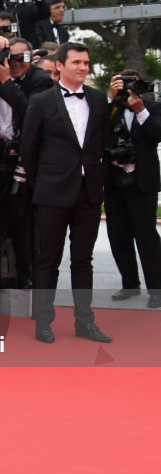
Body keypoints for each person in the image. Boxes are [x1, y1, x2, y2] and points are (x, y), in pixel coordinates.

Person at [20, 41, 112, 344]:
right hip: (52, 193)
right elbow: (28, 149)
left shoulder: (99, 100)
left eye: (86, 63)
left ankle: (85, 322)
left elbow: (102, 143)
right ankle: (43, 322)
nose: (84, 68)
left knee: (83, 261)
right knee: (48, 260)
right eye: (77, 63)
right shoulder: (41, 101)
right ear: (59, 65)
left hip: (87, 192)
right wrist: (43, 182)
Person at [103, 71, 161, 308]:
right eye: (122, 81)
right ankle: (129, 284)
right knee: (118, 236)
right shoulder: (110, 109)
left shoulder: (154, 107)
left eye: (132, 82)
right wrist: (109, 97)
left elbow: (156, 134)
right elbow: (96, 134)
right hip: (114, 180)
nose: (127, 86)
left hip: (142, 182)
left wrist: (140, 110)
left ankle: (156, 289)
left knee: (146, 237)